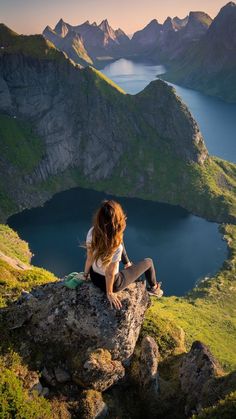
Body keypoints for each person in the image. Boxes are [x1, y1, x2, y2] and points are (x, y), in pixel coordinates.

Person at [83, 200, 163, 310]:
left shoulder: (92, 232)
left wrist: (85, 275)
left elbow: (89, 258)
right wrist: (109, 293)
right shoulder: (116, 246)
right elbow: (110, 273)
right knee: (148, 262)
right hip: (114, 284)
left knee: (118, 239)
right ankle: (154, 288)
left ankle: (127, 263)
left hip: (94, 277)